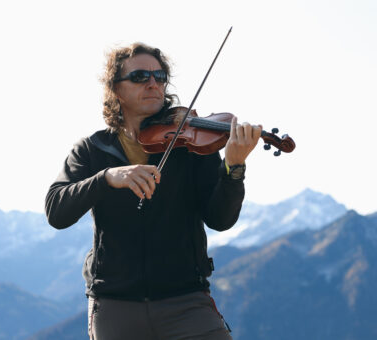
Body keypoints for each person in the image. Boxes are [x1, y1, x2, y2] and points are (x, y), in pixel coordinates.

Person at [45, 42, 262, 340]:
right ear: (116, 90)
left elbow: (220, 219)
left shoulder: (190, 144)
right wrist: (107, 177)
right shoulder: (93, 149)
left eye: (159, 77)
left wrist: (233, 169)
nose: (152, 84)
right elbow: (56, 210)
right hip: (115, 305)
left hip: (187, 302)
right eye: (140, 77)